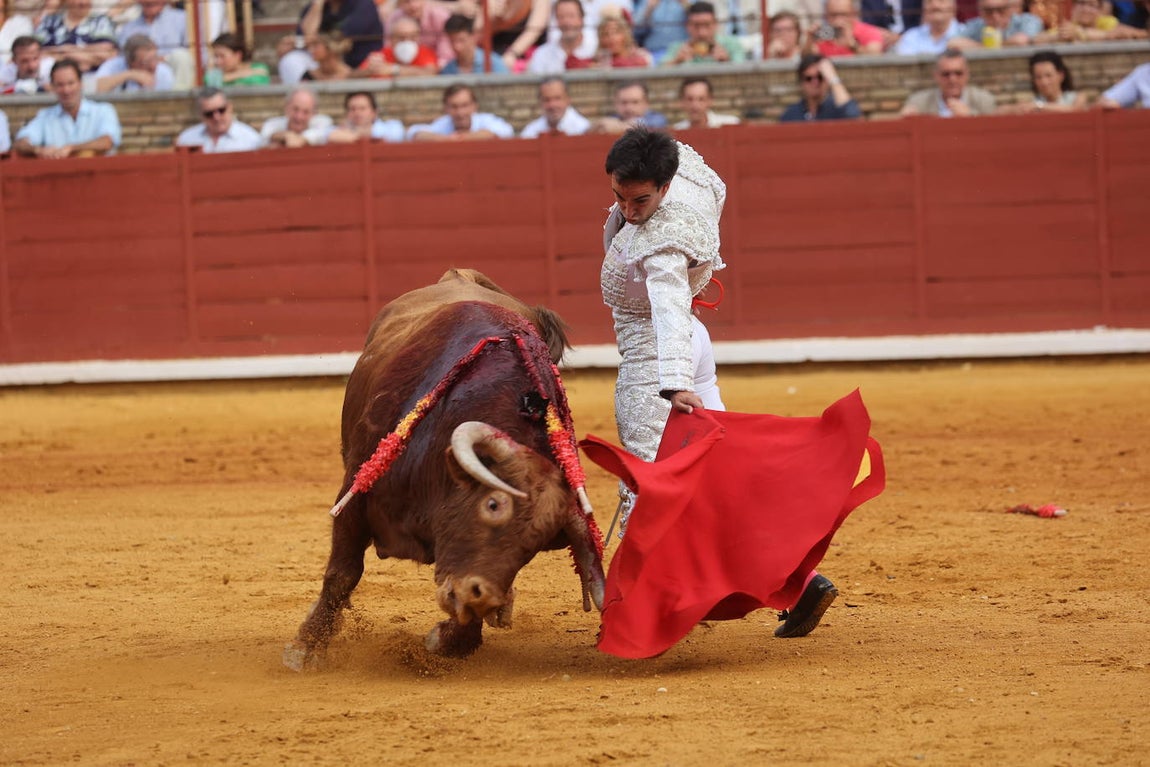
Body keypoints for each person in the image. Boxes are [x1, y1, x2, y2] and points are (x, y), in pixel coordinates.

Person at [598, 126, 842, 640]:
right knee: (722, 478)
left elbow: (667, 305)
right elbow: (710, 185)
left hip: (658, 359)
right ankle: (801, 582)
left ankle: (642, 619)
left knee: (651, 488)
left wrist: (672, 383)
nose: (629, 211)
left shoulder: (662, 245)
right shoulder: (686, 178)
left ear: (664, 187)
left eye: (640, 201)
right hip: (696, 341)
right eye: (619, 196)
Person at [13, 58, 120, 157]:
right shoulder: (45, 116)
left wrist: (71, 148)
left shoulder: (103, 110)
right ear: (52, 87)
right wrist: (38, 150)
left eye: (71, 83)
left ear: (81, 83)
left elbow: (107, 142)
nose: (66, 90)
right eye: (60, 85)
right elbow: (20, 143)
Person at [277, 0, 383, 85]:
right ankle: (300, 101)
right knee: (291, 59)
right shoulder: (315, 6)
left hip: (358, 65)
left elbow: (338, 38)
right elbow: (306, 35)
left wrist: (298, 43)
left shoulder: (364, 4)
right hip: (321, 63)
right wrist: (317, 4)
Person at [116, 0, 192, 89]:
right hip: (141, 70)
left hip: (172, 69)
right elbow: (122, 58)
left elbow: (197, 54)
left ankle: (180, 96)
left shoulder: (182, 19)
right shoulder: (128, 28)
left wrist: (157, 60)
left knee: (181, 56)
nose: (150, 1)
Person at [900, 48, 995, 116]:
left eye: (958, 73)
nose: (952, 79)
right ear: (936, 76)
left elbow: (991, 132)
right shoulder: (918, 102)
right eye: (946, 74)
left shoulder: (983, 101)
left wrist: (970, 117)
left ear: (967, 74)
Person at [406, 83, 514, 141]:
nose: (460, 113)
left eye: (464, 105)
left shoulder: (485, 120)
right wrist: (445, 139)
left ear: (474, 106)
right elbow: (413, 133)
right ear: (446, 108)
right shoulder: (444, 123)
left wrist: (464, 138)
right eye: (454, 107)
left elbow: (506, 130)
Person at [34, 0, 117, 72]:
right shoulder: (50, 21)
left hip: (93, 76)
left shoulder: (101, 21)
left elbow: (107, 54)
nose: (83, 3)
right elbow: (36, 52)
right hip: (53, 76)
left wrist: (65, 51)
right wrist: (82, 57)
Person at [175, 87, 263, 153]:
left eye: (221, 110)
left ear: (230, 107)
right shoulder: (187, 139)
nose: (216, 117)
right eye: (209, 114)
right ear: (201, 115)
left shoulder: (250, 139)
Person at [999, 50, 1087, 113]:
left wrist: (1039, 106)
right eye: (1038, 77)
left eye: (1048, 76)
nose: (1044, 82)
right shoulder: (1033, 103)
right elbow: (999, 111)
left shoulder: (1077, 98)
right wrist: (1016, 108)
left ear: (1061, 75)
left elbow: (1074, 110)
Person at [780, 53, 861, 121]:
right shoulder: (792, 113)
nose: (815, 82)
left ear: (827, 79)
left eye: (820, 77)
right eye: (808, 78)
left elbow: (854, 117)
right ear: (801, 82)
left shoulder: (837, 108)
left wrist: (833, 78)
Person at [525, 0, 596, 75]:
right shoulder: (542, 54)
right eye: (561, 17)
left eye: (571, 16)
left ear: (581, 19)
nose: (567, 22)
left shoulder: (594, 51)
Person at [663, 1, 746, 65]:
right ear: (687, 26)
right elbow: (660, 71)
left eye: (707, 25)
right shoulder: (677, 48)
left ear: (716, 24)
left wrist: (727, 61)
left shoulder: (732, 45)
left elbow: (743, 71)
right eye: (696, 26)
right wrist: (676, 61)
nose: (702, 33)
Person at [357, 15, 438, 78]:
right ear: (391, 39)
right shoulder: (381, 55)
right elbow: (355, 74)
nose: (407, 41)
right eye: (401, 38)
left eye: (412, 37)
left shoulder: (425, 52)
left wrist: (394, 69)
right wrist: (370, 70)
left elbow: (431, 73)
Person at [1034, 0, 1148, 42]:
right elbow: (1037, 39)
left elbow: (1125, 33)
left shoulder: (1106, 22)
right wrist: (1058, 37)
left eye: (1091, 5)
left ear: (1099, 10)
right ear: (1073, 8)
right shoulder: (1068, 26)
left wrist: (1079, 33)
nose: (1086, 9)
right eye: (1081, 3)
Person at [383, 0, 454, 68]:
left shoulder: (440, 16)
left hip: (435, 66)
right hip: (404, 66)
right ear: (400, 4)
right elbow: (388, 47)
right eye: (406, 2)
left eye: (416, 0)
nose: (413, 6)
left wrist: (435, 69)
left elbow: (445, 56)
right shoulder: (394, 18)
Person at [93, 33, 174, 92]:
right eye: (146, 62)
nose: (153, 65)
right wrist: (129, 74)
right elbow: (97, 89)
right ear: (131, 62)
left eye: (155, 59)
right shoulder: (113, 65)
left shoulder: (163, 72)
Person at [949, 0, 1042, 48]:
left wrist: (979, 47)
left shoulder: (1027, 20)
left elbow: (1022, 40)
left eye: (1000, 10)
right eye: (988, 11)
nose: (995, 16)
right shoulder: (977, 24)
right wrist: (989, 48)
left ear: (1009, 9)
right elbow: (953, 43)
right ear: (980, 12)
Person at [260, 87, 333, 148]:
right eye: (295, 109)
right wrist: (285, 136)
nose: (299, 116)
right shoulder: (272, 124)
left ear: (314, 113)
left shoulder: (323, 122)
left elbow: (323, 133)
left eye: (306, 112)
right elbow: (265, 137)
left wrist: (298, 139)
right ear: (286, 107)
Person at [806, 0, 886, 56]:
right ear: (826, 16)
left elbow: (876, 56)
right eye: (833, 15)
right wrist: (809, 41)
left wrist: (852, 45)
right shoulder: (823, 34)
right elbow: (806, 60)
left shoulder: (869, 32)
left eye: (843, 14)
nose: (838, 19)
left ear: (854, 13)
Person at [520, 76, 591, 138]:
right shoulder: (531, 131)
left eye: (557, 98)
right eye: (546, 100)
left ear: (568, 100)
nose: (552, 105)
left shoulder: (582, 129)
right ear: (540, 102)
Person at [439, 13, 509, 74]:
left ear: (473, 37)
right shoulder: (448, 70)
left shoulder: (493, 64)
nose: (456, 46)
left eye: (461, 40)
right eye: (452, 41)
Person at [591, 80, 669, 133]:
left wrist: (619, 127)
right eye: (624, 102)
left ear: (646, 103)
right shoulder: (612, 118)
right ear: (615, 104)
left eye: (635, 102)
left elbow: (654, 126)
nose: (629, 108)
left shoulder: (657, 119)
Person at [326, 90, 405, 143]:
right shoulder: (337, 130)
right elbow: (327, 135)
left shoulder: (392, 126)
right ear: (347, 113)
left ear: (374, 112)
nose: (357, 113)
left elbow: (396, 134)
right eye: (352, 109)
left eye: (362, 108)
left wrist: (355, 134)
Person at [892, 0, 966, 55]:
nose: (935, 5)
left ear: (954, 7)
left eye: (941, 1)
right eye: (929, 2)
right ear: (924, 9)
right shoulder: (910, 37)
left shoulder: (966, 34)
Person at [674, 76, 740, 129]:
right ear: (682, 101)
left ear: (710, 100)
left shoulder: (731, 124)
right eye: (690, 99)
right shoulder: (676, 132)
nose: (695, 105)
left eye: (701, 99)